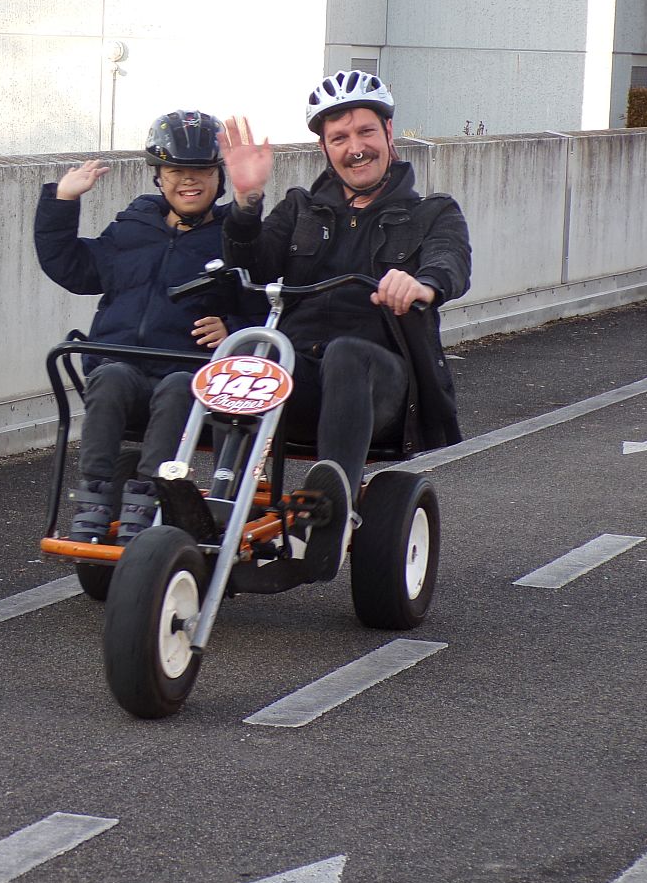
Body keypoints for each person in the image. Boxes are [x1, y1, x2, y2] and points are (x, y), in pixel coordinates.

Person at [218, 70, 471, 579]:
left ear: (389, 135)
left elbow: (451, 264)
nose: (355, 148)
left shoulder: (432, 214)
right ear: (325, 149)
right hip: (303, 378)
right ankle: (219, 501)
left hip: (384, 384)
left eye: (365, 132)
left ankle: (332, 510)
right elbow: (252, 267)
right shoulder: (299, 209)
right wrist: (246, 203)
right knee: (255, 357)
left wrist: (420, 285)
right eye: (339, 138)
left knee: (346, 353)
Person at [35, 109, 249, 544]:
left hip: (188, 376)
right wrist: (62, 201)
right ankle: (94, 495)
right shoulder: (133, 227)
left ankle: (150, 492)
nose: (188, 181)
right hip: (124, 366)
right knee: (110, 377)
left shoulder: (235, 237)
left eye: (201, 170)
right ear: (158, 176)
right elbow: (73, 268)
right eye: (175, 170)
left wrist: (234, 327)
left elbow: (266, 300)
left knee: (175, 387)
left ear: (218, 175)